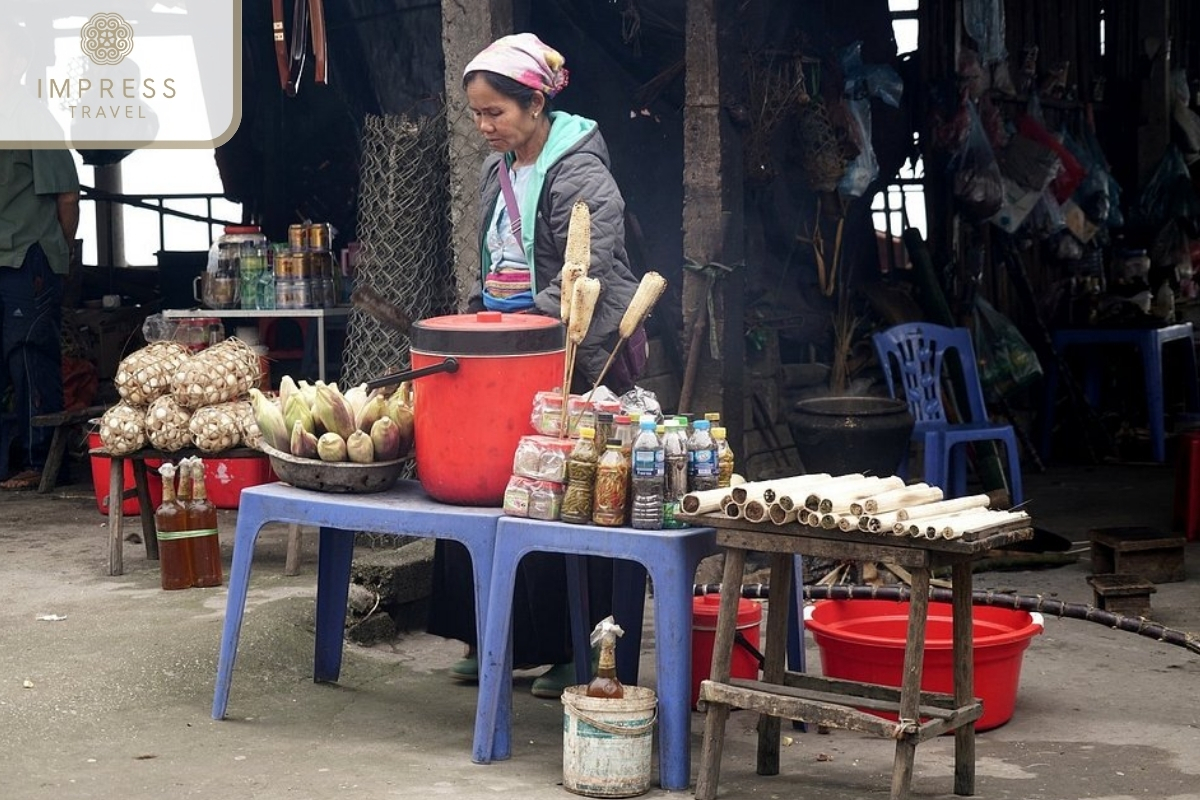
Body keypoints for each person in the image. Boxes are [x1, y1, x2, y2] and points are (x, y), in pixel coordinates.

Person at [426, 33, 647, 698]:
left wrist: (521, 333)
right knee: (487, 485)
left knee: (562, 492)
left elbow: (590, 270)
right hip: (505, 351)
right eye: (476, 113)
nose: (483, 125)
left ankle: (573, 650)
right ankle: (490, 637)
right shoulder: (502, 171)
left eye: (495, 112)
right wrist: (474, 327)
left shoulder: (579, 171)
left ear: (534, 104)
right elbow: (496, 263)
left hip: (568, 352)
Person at [0, 18, 80, 489]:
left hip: (28, 258)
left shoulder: (33, 116)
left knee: (28, 357)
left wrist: (61, 252)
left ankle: (39, 462)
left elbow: (67, 198)